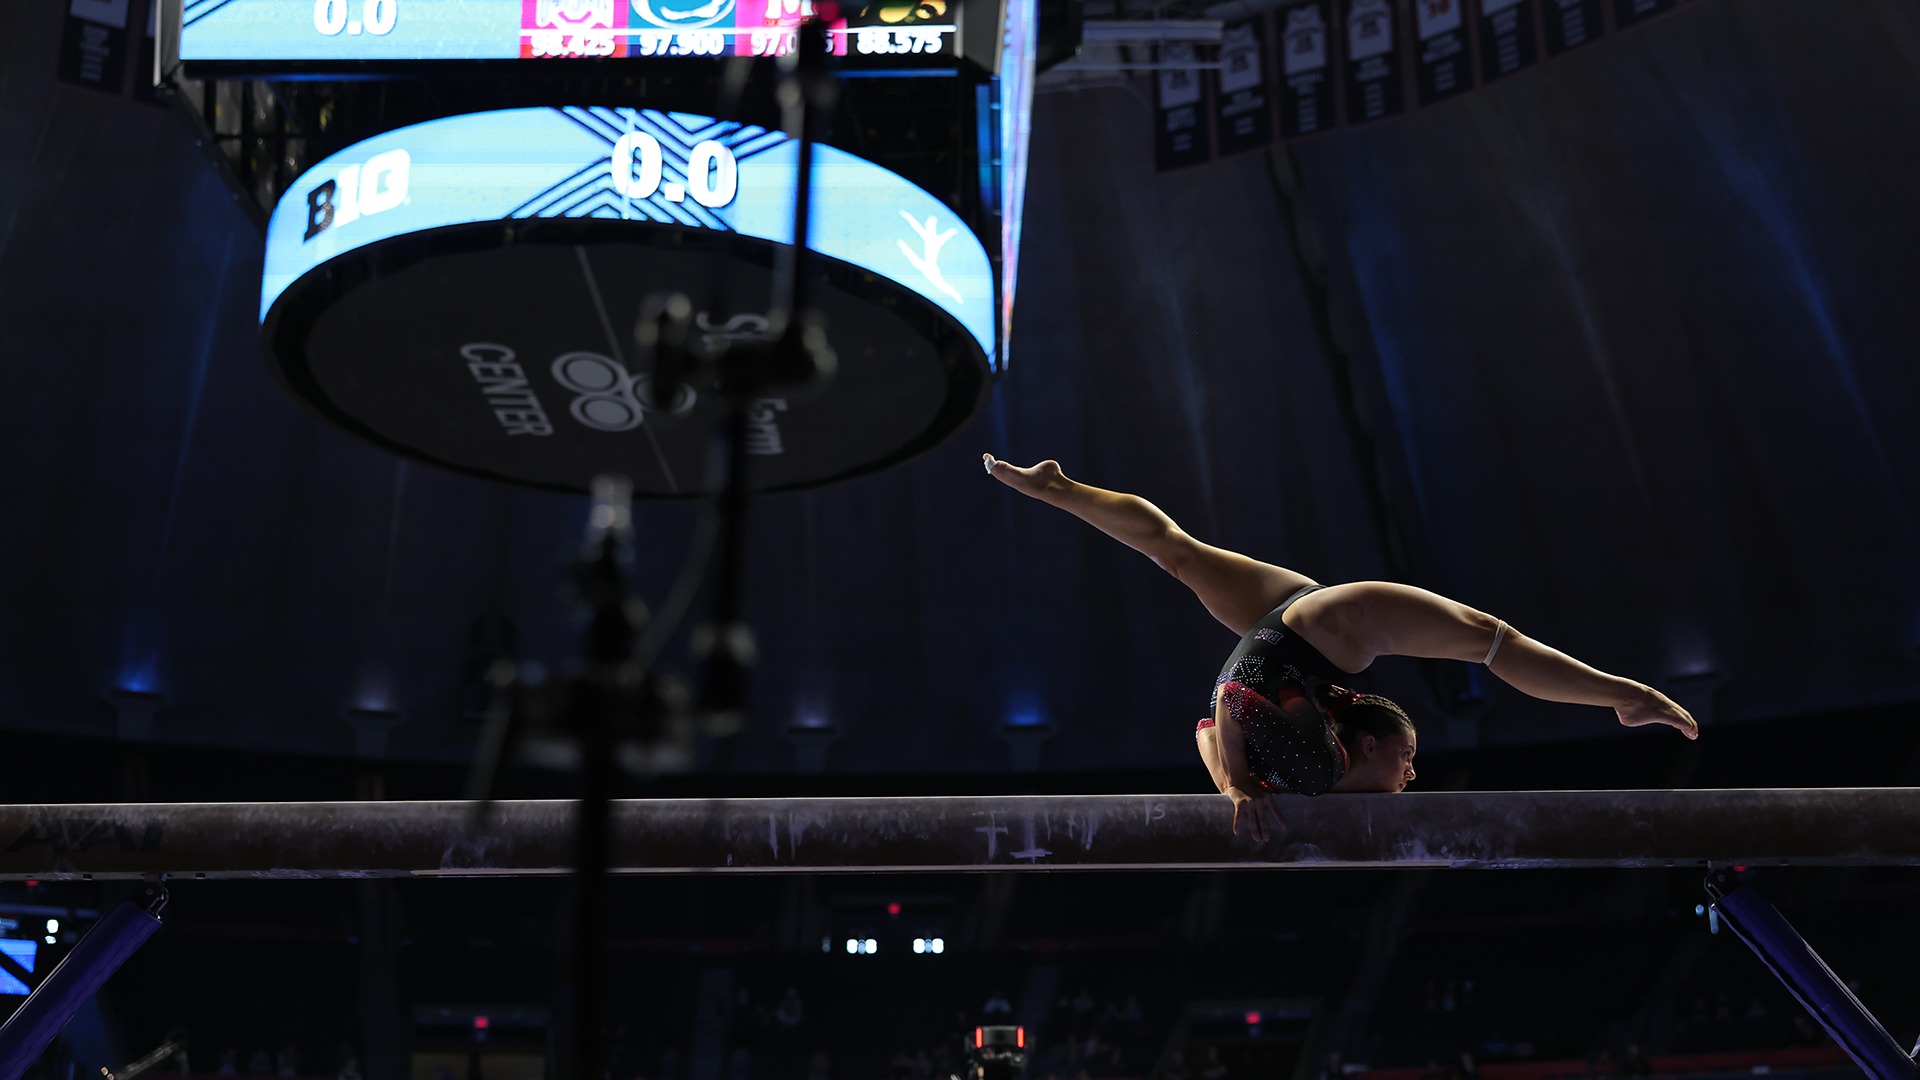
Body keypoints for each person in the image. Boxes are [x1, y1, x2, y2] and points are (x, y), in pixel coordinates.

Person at [984, 456, 1698, 839]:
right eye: (1411, 760)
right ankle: (1060, 488)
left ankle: (1625, 695)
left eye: (1410, 758)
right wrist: (1235, 782)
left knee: (1493, 641)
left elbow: (1217, 716)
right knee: (1178, 554)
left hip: (1306, 630)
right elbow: (1216, 720)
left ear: (1366, 743)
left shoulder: (1312, 765)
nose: (1412, 775)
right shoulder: (1305, 765)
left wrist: (1235, 784)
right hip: (1307, 633)